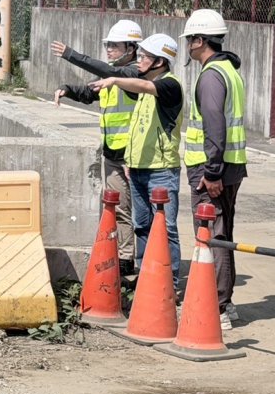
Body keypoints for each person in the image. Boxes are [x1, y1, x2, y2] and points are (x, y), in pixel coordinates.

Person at [89, 34, 183, 285]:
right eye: (139, 55)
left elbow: (144, 87)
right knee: (141, 225)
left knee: (166, 229)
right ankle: (146, 277)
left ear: (160, 62)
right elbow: (138, 129)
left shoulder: (169, 85)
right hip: (139, 169)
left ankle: (169, 281)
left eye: (145, 56)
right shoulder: (143, 86)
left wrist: (114, 79)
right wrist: (130, 160)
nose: (139, 60)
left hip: (162, 170)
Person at [52, 20, 143, 275]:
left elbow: (103, 69)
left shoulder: (134, 74)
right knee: (119, 208)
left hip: (133, 157)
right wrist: (67, 89)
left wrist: (72, 55)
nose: (109, 50)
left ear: (131, 48)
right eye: (108, 45)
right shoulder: (111, 76)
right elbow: (88, 91)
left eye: (115, 45)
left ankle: (140, 261)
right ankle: (125, 258)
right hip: (113, 153)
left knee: (142, 214)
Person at [181, 9, 247, 331]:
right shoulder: (228, 70)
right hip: (230, 168)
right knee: (224, 235)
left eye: (190, 41)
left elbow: (214, 127)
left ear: (199, 40)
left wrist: (212, 172)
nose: (188, 47)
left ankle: (217, 307)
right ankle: (227, 305)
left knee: (212, 235)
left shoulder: (210, 76)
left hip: (212, 171)